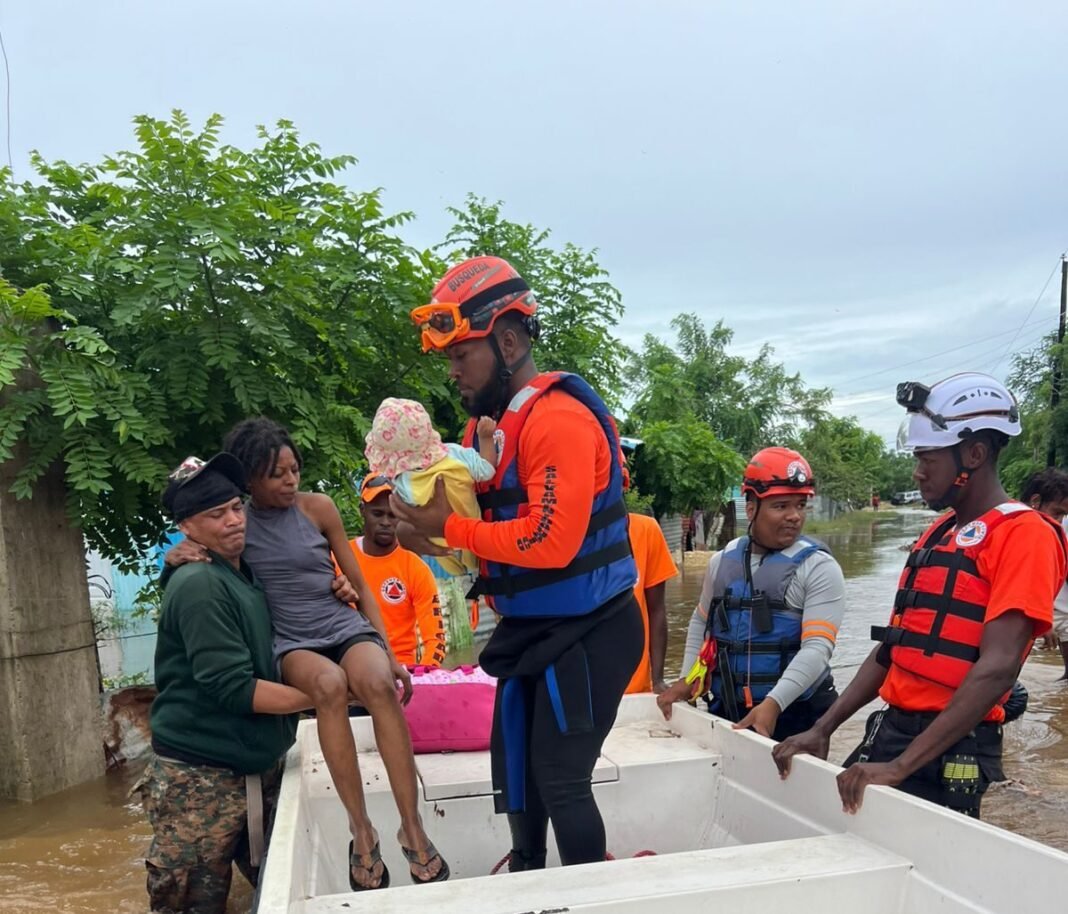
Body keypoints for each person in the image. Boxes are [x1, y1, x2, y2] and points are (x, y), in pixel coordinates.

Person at [392, 255, 643, 871]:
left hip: (592, 630)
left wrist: (449, 526)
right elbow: (486, 544)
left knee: (559, 776)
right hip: (534, 629)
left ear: (507, 340)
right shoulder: (493, 431)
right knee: (519, 772)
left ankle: (586, 897)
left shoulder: (557, 420)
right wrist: (425, 533)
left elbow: (549, 543)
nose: (453, 373)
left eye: (461, 356)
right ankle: (528, 874)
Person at [166, 419, 449, 890]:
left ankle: (412, 825)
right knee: (328, 687)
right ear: (250, 479)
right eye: (277, 473)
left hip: (339, 620)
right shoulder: (239, 524)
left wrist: (388, 650)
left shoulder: (317, 509)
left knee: (379, 682)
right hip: (291, 640)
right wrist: (176, 555)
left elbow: (357, 583)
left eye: (294, 468)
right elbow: (202, 550)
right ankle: (362, 832)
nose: (290, 480)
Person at [772, 373, 1068, 819]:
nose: (917, 471)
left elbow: (999, 667)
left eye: (928, 458)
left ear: (974, 453)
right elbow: (894, 648)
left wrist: (901, 767)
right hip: (892, 730)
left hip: (951, 748)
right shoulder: (940, 531)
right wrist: (822, 727)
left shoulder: (1025, 535)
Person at [137, 453, 312, 914]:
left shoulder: (241, 570)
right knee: (191, 905)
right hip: (201, 782)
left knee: (277, 891)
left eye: (237, 507)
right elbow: (233, 688)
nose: (235, 521)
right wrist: (327, 695)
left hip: (254, 769)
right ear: (187, 527)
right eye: (217, 515)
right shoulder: (200, 583)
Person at [657, 447, 846, 741]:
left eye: (800, 505)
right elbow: (700, 623)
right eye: (781, 506)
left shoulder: (819, 568)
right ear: (750, 508)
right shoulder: (722, 562)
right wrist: (689, 678)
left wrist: (773, 704)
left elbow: (817, 649)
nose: (795, 516)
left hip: (796, 714)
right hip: (727, 709)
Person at [365, 397, 498, 576]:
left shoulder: (403, 483)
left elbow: (407, 518)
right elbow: (487, 470)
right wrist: (485, 437)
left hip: (444, 553)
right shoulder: (454, 455)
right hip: (475, 539)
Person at [347, 472, 447, 668]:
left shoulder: (416, 568)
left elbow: (436, 641)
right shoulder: (340, 558)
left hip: (402, 671)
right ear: (362, 510)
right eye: (377, 513)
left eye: (392, 515)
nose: (385, 522)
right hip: (351, 667)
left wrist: (423, 675)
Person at [623, 510, 679, 695]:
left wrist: (658, 680)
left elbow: (657, 610)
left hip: (636, 689)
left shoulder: (645, 529)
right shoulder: (569, 535)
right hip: (584, 693)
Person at [1020, 467, 1068, 680]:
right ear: (1035, 501)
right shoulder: (1028, 532)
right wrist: (1043, 618)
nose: (1059, 521)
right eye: (1057, 512)